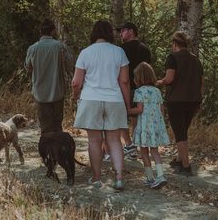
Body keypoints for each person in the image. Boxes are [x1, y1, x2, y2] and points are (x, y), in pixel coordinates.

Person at [72, 20, 130, 190]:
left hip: (91, 99)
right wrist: (127, 104)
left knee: (94, 141)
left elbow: (77, 81)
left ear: (94, 33)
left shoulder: (85, 52)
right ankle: (118, 179)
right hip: (114, 99)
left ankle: (96, 178)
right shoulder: (119, 52)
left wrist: (76, 94)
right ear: (109, 34)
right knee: (114, 140)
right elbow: (124, 81)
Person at [156, 31, 204, 176]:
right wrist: (199, 100)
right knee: (183, 131)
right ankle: (178, 160)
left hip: (177, 101)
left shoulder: (173, 58)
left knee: (180, 135)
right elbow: (201, 82)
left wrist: (158, 82)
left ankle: (186, 167)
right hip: (193, 100)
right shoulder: (196, 59)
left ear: (175, 43)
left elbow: (169, 79)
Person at [25, 19, 73, 133]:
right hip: (58, 91)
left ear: (40, 32)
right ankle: (57, 148)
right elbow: (69, 67)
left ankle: (47, 147)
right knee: (57, 123)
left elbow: (28, 68)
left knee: (45, 124)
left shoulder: (33, 48)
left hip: (40, 93)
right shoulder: (61, 47)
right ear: (53, 32)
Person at [127, 62, 170, 189]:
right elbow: (161, 111)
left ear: (138, 77)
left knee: (144, 152)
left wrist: (127, 111)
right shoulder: (157, 91)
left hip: (144, 126)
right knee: (155, 152)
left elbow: (139, 109)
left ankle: (150, 177)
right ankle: (161, 176)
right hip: (156, 126)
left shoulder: (139, 92)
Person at [116, 22, 151, 161]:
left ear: (131, 31)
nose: (120, 34)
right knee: (137, 118)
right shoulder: (145, 49)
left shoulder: (121, 49)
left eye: (122, 31)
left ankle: (129, 145)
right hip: (142, 89)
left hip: (125, 87)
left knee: (120, 116)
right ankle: (135, 146)